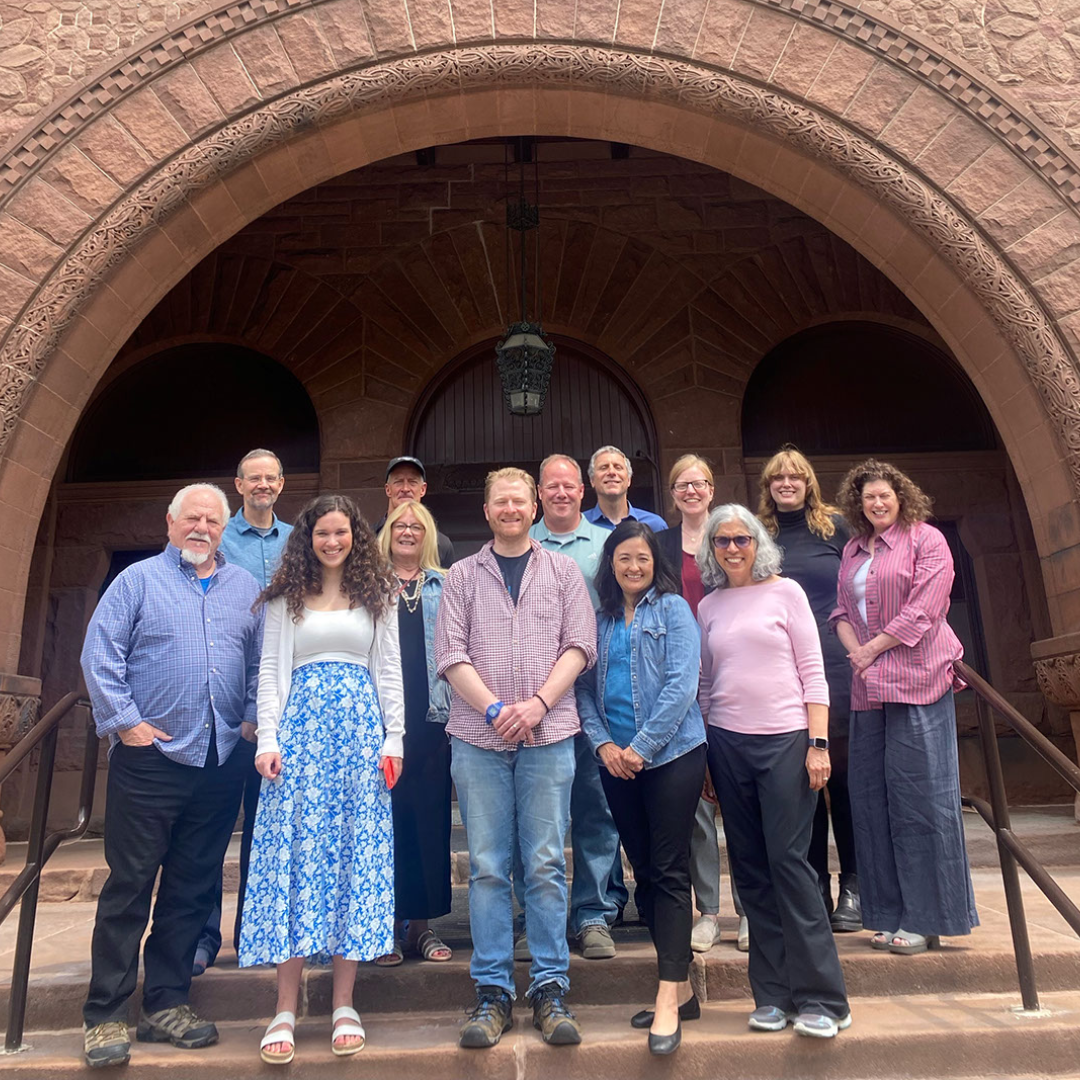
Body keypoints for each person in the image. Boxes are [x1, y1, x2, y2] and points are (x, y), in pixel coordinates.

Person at [79, 483, 262, 1069]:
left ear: (223, 528)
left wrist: (255, 716)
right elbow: (98, 654)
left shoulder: (244, 589)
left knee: (191, 888)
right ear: (170, 523)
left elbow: (261, 662)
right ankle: (105, 1013)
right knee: (129, 886)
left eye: (212, 519)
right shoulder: (136, 582)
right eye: (192, 518)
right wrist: (126, 723)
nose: (201, 527)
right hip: (150, 762)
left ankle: (165, 1004)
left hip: (219, 761)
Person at [238, 495, 404, 1065]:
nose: (332, 542)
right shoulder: (286, 598)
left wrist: (395, 737)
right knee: (293, 857)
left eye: (341, 532)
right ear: (307, 539)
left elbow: (388, 669)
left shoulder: (376, 594)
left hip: (360, 739)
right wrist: (266, 739)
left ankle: (342, 1004)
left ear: (356, 536)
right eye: (322, 534)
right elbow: (269, 673)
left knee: (352, 857)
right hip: (299, 739)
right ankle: (284, 1008)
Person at [435, 468, 597, 1049]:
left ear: (533, 508)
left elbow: (580, 645)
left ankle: (551, 988)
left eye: (518, 500)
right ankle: (492, 992)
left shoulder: (563, 571)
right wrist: (497, 710)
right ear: (486, 511)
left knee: (548, 863)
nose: (510, 508)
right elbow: (451, 655)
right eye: (499, 501)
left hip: (548, 734)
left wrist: (535, 705)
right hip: (478, 739)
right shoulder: (461, 576)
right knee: (486, 866)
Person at [698, 504, 851, 1038]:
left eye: (742, 539)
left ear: (758, 542)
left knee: (789, 863)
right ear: (711, 550)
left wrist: (818, 743)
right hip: (727, 744)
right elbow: (704, 683)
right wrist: (706, 755)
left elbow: (813, 670)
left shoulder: (786, 593)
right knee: (750, 868)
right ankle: (773, 995)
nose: (733, 548)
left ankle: (824, 1000)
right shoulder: (710, 605)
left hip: (787, 740)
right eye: (723, 542)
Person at [831, 459, 978, 955]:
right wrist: (858, 650)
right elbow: (840, 612)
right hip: (869, 685)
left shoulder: (926, 539)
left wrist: (872, 649)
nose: (877, 503)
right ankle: (889, 912)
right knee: (871, 800)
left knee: (922, 800)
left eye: (885, 496)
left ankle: (927, 917)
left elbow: (926, 607)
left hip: (918, 678)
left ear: (901, 497)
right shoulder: (854, 548)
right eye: (868, 497)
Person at [577, 521, 707, 1056]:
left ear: (657, 564)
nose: (634, 567)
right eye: (624, 559)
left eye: (643, 559)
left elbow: (682, 684)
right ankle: (683, 985)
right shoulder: (600, 617)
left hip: (672, 756)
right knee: (646, 871)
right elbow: (583, 686)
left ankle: (668, 1000)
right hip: (616, 761)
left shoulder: (673, 610)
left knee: (670, 869)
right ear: (610, 564)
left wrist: (641, 748)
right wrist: (605, 745)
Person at [194, 448, 294, 977]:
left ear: (282, 484)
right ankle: (202, 937)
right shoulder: (216, 536)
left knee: (268, 827)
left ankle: (259, 931)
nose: (262, 485)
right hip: (223, 702)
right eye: (253, 478)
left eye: (269, 478)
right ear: (239, 484)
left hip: (279, 704)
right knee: (209, 828)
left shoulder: (298, 538)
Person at [523, 453, 626, 962]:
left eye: (569, 486)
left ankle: (594, 913)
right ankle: (535, 916)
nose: (561, 493)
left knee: (595, 808)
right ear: (539, 493)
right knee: (537, 817)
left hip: (594, 695)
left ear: (582, 492)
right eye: (552, 487)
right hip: (533, 700)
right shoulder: (523, 541)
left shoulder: (607, 546)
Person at [758, 447, 859, 932]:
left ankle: (854, 886)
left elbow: (866, 585)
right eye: (777, 476)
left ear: (809, 481)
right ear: (768, 485)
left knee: (841, 781)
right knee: (802, 785)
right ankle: (813, 883)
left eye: (795, 475)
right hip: (782, 673)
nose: (786, 482)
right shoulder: (762, 535)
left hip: (836, 665)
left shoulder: (835, 528)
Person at [656, 454, 746, 955]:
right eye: (682, 484)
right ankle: (708, 912)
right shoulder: (664, 544)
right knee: (695, 806)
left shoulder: (734, 534)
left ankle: (752, 908)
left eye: (700, 483)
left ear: (712, 488)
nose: (691, 491)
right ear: (672, 494)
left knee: (739, 800)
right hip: (680, 681)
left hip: (732, 672)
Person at [372, 500, 453, 966]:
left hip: (432, 722)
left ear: (427, 535)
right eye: (399, 526)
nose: (406, 532)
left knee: (428, 820)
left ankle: (422, 926)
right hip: (381, 722)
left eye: (415, 526)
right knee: (385, 822)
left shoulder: (446, 585)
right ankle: (384, 925)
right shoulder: (367, 587)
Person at [375, 455, 455, 567]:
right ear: (388, 489)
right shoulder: (369, 538)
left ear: (423, 489)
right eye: (398, 482)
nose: (405, 489)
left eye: (412, 482)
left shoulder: (441, 544)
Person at [584, 445, 667, 531]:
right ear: (592, 480)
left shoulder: (655, 526)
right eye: (603, 467)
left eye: (618, 467)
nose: (611, 472)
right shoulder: (580, 525)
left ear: (629, 480)